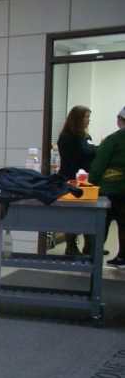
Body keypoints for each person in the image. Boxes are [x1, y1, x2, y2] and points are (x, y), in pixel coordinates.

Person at [57, 105, 96, 255]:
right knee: (72, 215)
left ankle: (89, 246)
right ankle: (71, 246)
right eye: (87, 117)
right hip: (72, 180)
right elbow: (69, 162)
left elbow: (91, 153)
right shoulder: (66, 137)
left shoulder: (86, 137)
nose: (89, 120)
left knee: (89, 214)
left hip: (87, 182)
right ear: (78, 119)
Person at [89, 106, 125, 268]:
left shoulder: (114, 140)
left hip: (109, 190)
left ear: (119, 119)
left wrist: (90, 183)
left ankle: (94, 257)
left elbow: (98, 165)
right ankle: (123, 257)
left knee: (101, 224)